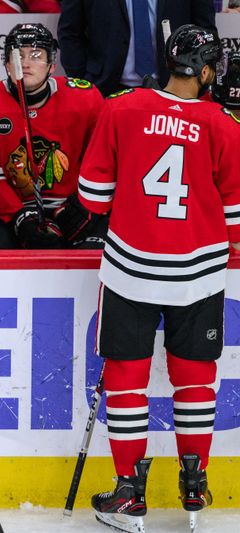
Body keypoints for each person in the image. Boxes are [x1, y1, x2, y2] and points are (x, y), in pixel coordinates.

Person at [77, 25, 240, 533]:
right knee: (194, 380)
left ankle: (129, 494)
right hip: (200, 274)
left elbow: (91, 196)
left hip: (130, 271)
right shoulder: (225, 125)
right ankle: (195, 486)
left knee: (126, 382)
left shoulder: (121, 108)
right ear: (209, 71)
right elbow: (236, 217)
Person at [0, 23, 104, 250]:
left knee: (98, 254)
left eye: (36, 55)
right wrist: (20, 217)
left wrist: (85, 205)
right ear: (6, 63)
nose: (25, 63)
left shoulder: (86, 99)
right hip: (9, 207)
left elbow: (102, 162)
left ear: (52, 64)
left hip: (72, 204)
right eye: (17, 55)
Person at [58, 0, 216, 97]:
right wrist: (84, 82)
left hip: (176, 90)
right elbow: (70, 32)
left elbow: (206, 32)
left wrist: (197, 85)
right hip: (104, 91)